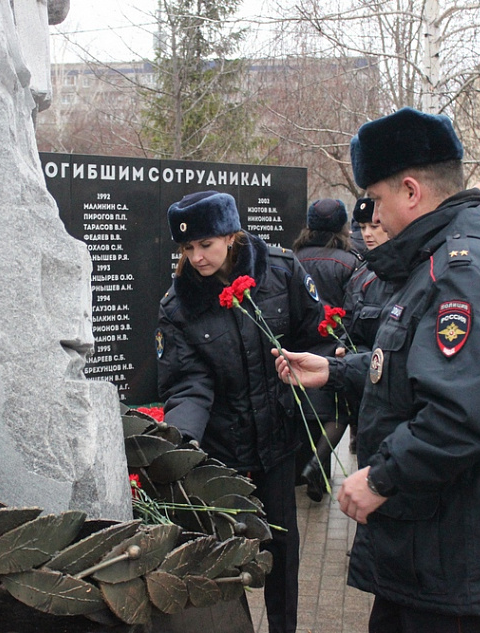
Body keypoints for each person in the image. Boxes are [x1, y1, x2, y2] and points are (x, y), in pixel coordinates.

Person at [272, 107, 480, 632]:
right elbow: (413, 369)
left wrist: (381, 477)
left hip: (450, 557)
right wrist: (337, 372)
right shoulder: (436, 261)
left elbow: (464, 412)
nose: (373, 217)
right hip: (429, 550)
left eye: (376, 200)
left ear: (410, 191)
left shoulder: (461, 271)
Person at [156, 190, 327, 633]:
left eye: (205, 245)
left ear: (231, 237)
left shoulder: (281, 270)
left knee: (282, 553)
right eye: (187, 248)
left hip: (275, 440)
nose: (196, 257)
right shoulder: (179, 306)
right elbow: (189, 383)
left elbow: (316, 334)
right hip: (221, 447)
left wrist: (313, 385)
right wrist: (179, 444)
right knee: (221, 554)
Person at [293, 198, 362, 501]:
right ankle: (317, 465)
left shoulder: (293, 259)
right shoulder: (350, 262)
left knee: (309, 416)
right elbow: (354, 308)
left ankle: (315, 474)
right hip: (335, 349)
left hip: (299, 349)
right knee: (340, 412)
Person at [340, 198, 396, 456]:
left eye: (374, 226)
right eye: (362, 228)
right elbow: (349, 322)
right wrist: (342, 346)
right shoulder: (362, 272)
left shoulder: (401, 272)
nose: (368, 234)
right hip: (362, 384)